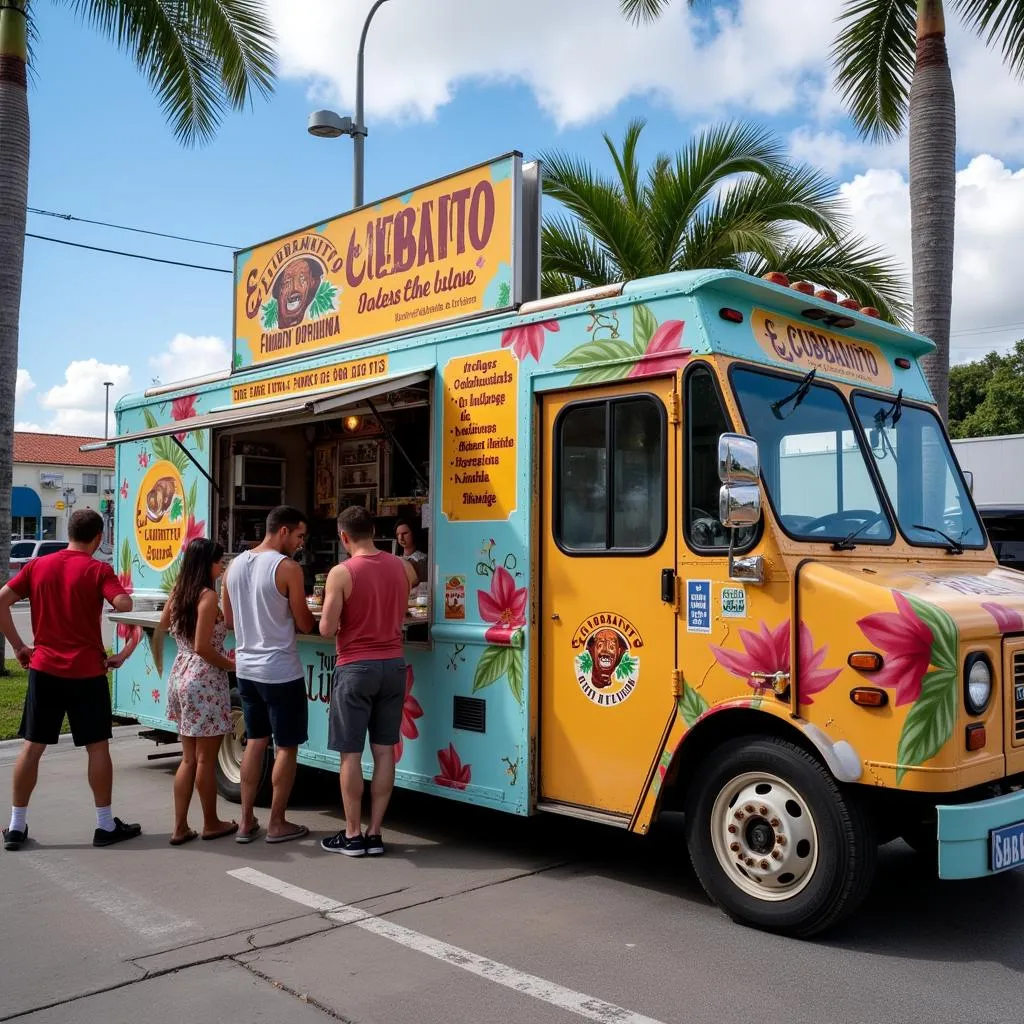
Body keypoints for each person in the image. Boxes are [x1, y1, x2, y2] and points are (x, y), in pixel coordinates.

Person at [0, 509, 141, 851]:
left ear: (69, 532)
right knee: (97, 747)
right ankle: (105, 825)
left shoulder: (38, 566)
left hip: (44, 669)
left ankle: (16, 826)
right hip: (87, 672)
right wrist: (123, 600)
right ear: (97, 538)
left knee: (33, 747)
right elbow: (123, 602)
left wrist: (19, 646)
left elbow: (2, 600)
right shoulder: (98, 569)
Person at [319, 505, 417, 856]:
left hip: (355, 668)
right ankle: (376, 833)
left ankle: (352, 834)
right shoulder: (403, 568)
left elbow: (327, 627)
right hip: (393, 665)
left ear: (344, 537)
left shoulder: (341, 573)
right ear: (374, 530)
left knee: (350, 754)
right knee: (384, 751)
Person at [222, 505, 315, 844]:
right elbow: (305, 622)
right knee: (286, 747)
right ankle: (277, 822)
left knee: (255, 742)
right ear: (284, 531)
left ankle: (246, 820)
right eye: (300, 536)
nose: (301, 543)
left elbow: (229, 620)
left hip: (247, 668)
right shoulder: (287, 567)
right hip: (280, 670)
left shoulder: (234, 565)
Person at [156, 538, 238, 845]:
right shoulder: (207, 597)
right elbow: (204, 646)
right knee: (205, 760)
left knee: (188, 759)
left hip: (180, 674)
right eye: (219, 562)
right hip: (204, 680)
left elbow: (165, 623)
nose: (222, 567)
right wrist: (231, 666)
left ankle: (179, 826)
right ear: (207, 564)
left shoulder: (178, 593)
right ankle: (211, 822)